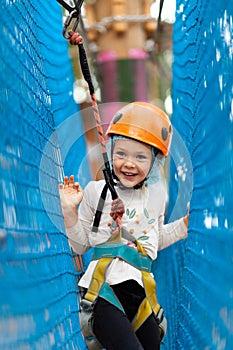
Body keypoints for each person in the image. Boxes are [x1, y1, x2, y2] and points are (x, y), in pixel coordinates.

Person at [59, 102, 189, 350]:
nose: (129, 163)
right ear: (110, 152)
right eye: (122, 154)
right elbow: (79, 244)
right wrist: (69, 212)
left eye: (140, 157)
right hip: (103, 292)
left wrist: (183, 226)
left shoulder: (156, 197)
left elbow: (154, 240)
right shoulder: (97, 192)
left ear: (156, 161)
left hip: (141, 296)